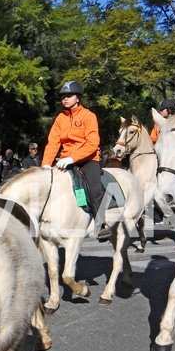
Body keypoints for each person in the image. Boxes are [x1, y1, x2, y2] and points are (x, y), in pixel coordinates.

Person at [41, 80, 111, 241]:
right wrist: (46, 163)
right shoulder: (60, 118)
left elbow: (93, 143)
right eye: (63, 97)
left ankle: (101, 225)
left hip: (88, 159)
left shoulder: (89, 116)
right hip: (65, 160)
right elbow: (53, 142)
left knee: (94, 189)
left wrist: (74, 157)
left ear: (78, 98)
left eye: (69, 96)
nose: (65, 99)